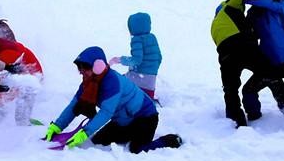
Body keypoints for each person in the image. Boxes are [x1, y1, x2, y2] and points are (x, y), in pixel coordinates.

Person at [43, 47, 182, 153]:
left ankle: (169, 140)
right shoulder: (88, 83)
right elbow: (74, 105)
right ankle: (130, 134)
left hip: (145, 117)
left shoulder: (112, 82)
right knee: (98, 141)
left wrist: (85, 132)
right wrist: (57, 126)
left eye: (85, 67)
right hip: (123, 120)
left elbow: (106, 112)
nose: (81, 71)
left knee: (137, 149)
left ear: (98, 66)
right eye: (79, 67)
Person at [210, 0, 284, 127]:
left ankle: (237, 120)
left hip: (225, 55)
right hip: (243, 46)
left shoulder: (214, 26)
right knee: (271, 73)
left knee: (230, 89)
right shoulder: (229, 6)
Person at [109, 11, 162, 98]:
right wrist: (152, 71)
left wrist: (120, 60)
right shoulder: (152, 37)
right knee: (146, 96)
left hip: (139, 78)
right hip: (151, 81)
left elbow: (136, 60)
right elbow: (159, 57)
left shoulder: (137, 39)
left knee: (117, 82)